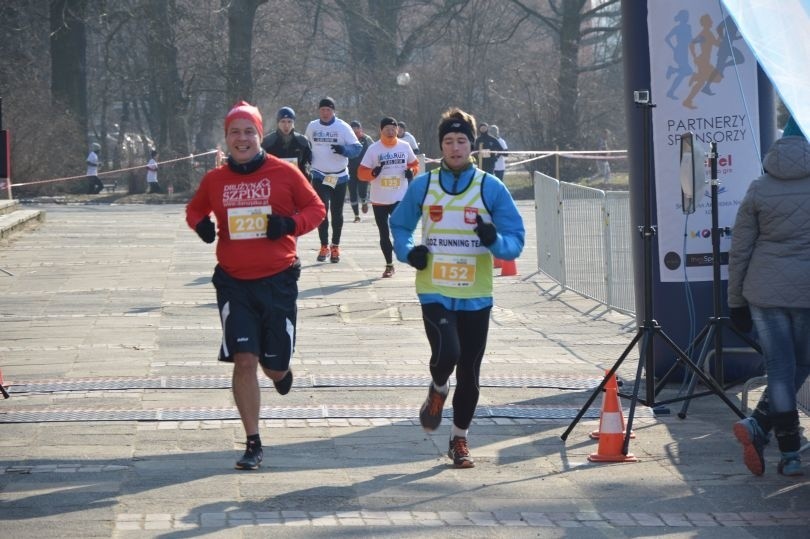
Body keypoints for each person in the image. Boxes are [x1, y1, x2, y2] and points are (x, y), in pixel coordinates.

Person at [185, 101, 325, 470]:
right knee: (244, 359)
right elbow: (195, 209)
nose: (242, 139)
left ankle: (281, 371)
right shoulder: (215, 179)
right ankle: (253, 441)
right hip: (234, 284)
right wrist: (200, 225)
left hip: (278, 281)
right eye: (235, 132)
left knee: (273, 367)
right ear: (226, 137)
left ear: (259, 134)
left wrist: (289, 225)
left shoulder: (284, 172)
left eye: (249, 131)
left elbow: (316, 209)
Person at [390, 107, 525, 468]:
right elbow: (399, 225)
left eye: (461, 140)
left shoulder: (489, 187)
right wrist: (408, 252)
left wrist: (494, 240)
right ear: (441, 146)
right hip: (434, 288)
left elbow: (516, 239)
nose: (454, 148)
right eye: (448, 141)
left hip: (476, 293)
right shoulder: (425, 184)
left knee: (469, 371)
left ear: (472, 144)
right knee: (447, 353)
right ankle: (437, 389)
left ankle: (459, 440)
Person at [728, 116, 810, 478]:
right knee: (802, 364)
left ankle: (783, 445)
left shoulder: (759, 187)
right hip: (806, 292)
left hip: (763, 291)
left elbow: (740, 249)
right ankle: (774, 439)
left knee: (779, 369)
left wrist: (735, 302)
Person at [358, 117, 419, 278]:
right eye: (387, 129)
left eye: (393, 129)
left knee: (400, 228)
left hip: (399, 195)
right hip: (380, 198)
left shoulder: (405, 146)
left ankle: (406, 252)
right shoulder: (373, 149)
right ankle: (389, 264)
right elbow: (361, 173)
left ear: (398, 130)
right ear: (381, 130)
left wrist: (411, 172)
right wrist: (372, 173)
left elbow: (415, 164)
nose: (391, 132)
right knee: (384, 233)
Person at [304, 97, 362, 263]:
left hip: (339, 176)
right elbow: (306, 145)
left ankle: (335, 246)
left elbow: (357, 148)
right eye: (322, 110)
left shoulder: (342, 127)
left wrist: (344, 150)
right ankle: (323, 245)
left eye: (328, 110)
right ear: (318, 111)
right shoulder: (312, 126)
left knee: (337, 213)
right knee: (321, 211)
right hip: (319, 174)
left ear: (333, 111)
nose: (325, 113)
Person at [261, 106, 312, 180]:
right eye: (283, 121)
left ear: (293, 123)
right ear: (278, 123)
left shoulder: (302, 141)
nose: (286, 125)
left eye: (289, 121)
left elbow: (307, 164)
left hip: (296, 182)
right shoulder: (267, 142)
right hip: (275, 182)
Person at [348, 120, 373, 223]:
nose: (354, 131)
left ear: (360, 129)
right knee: (352, 192)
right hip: (350, 169)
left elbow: (374, 150)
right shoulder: (347, 139)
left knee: (362, 191)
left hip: (363, 169)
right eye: (352, 129)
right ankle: (356, 215)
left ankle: (364, 201)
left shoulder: (367, 139)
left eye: (356, 128)